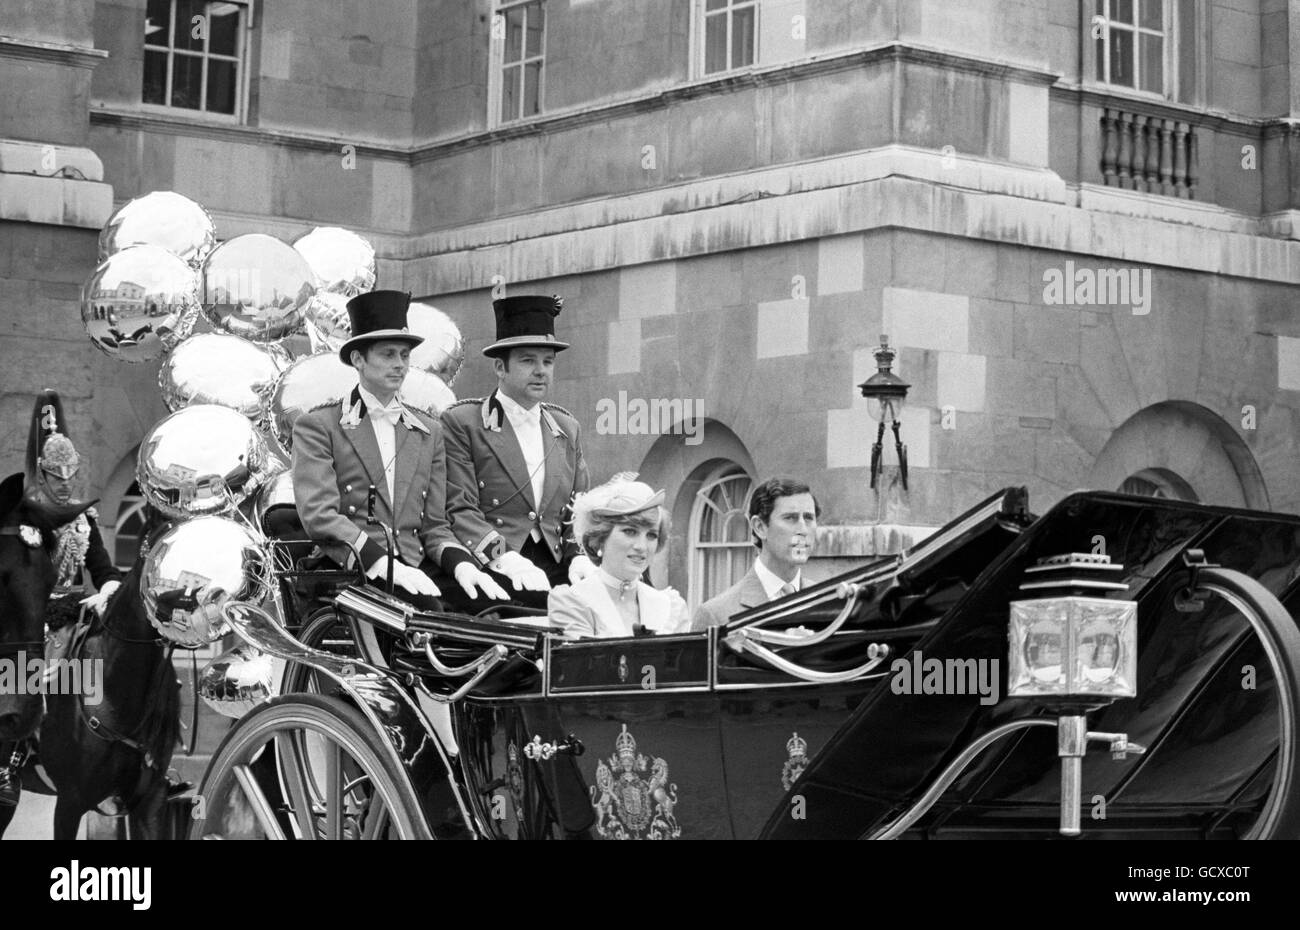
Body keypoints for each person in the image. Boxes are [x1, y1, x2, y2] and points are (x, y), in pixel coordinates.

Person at [292, 290, 507, 613]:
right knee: (433, 614)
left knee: (501, 607)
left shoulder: (428, 431)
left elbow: (434, 526)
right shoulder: (320, 426)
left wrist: (464, 565)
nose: (399, 365)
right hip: (355, 568)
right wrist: (381, 561)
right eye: (388, 354)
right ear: (358, 359)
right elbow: (320, 516)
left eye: (404, 355)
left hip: (416, 562)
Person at [0, 391, 122, 807]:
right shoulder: (18, 517)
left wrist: (106, 591)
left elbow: (105, 571)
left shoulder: (83, 519)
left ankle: (139, 751)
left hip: (75, 616)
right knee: (28, 667)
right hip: (27, 618)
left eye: (71, 474)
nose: (66, 482)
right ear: (43, 474)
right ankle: (10, 758)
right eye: (58, 476)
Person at [440, 295, 594, 611]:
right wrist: (505, 557)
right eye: (527, 361)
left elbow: (579, 508)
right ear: (500, 367)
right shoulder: (464, 423)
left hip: (556, 563)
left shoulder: (566, 427)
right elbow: (459, 508)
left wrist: (578, 554)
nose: (540, 371)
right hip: (491, 563)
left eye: (547, 362)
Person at [548, 475, 689, 639]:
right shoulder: (573, 601)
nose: (641, 546)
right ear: (600, 537)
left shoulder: (670, 606)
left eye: (651, 535)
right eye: (630, 532)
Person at [691, 477, 821, 631]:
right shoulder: (715, 615)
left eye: (808, 518)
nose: (803, 530)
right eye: (790, 518)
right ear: (759, 527)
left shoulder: (829, 601)